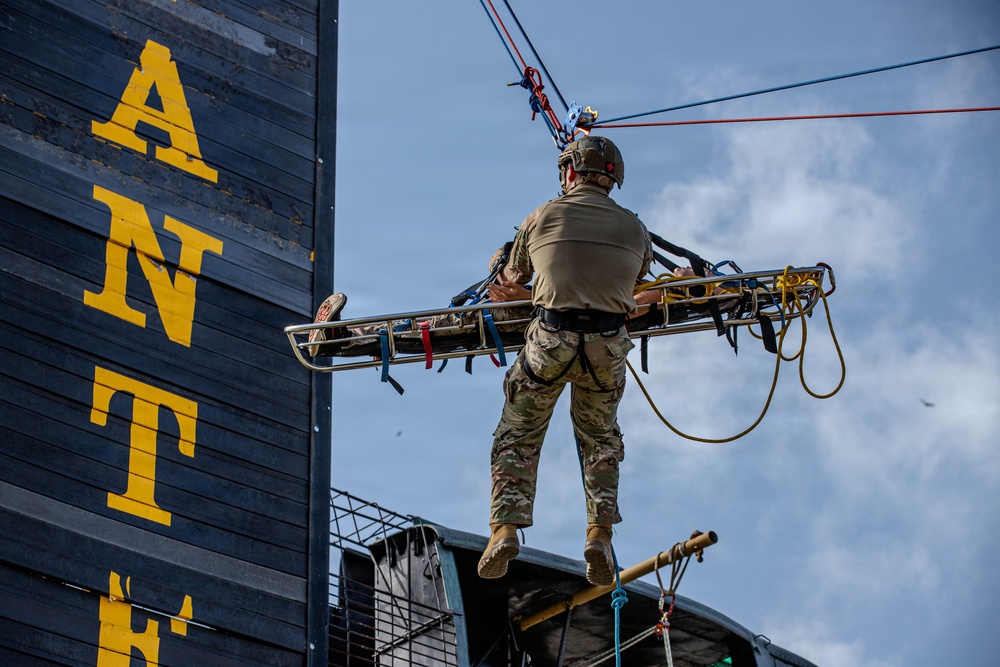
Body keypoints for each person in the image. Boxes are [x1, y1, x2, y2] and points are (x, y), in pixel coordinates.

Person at [477, 135, 653, 586]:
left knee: (518, 432)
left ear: (569, 172)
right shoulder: (637, 230)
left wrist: (525, 285)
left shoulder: (542, 216)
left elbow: (509, 280)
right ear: (613, 179)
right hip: (606, 349)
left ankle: (505, 529)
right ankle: (600, 534)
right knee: (600, 440)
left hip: (550, 342)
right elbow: (635, 283)